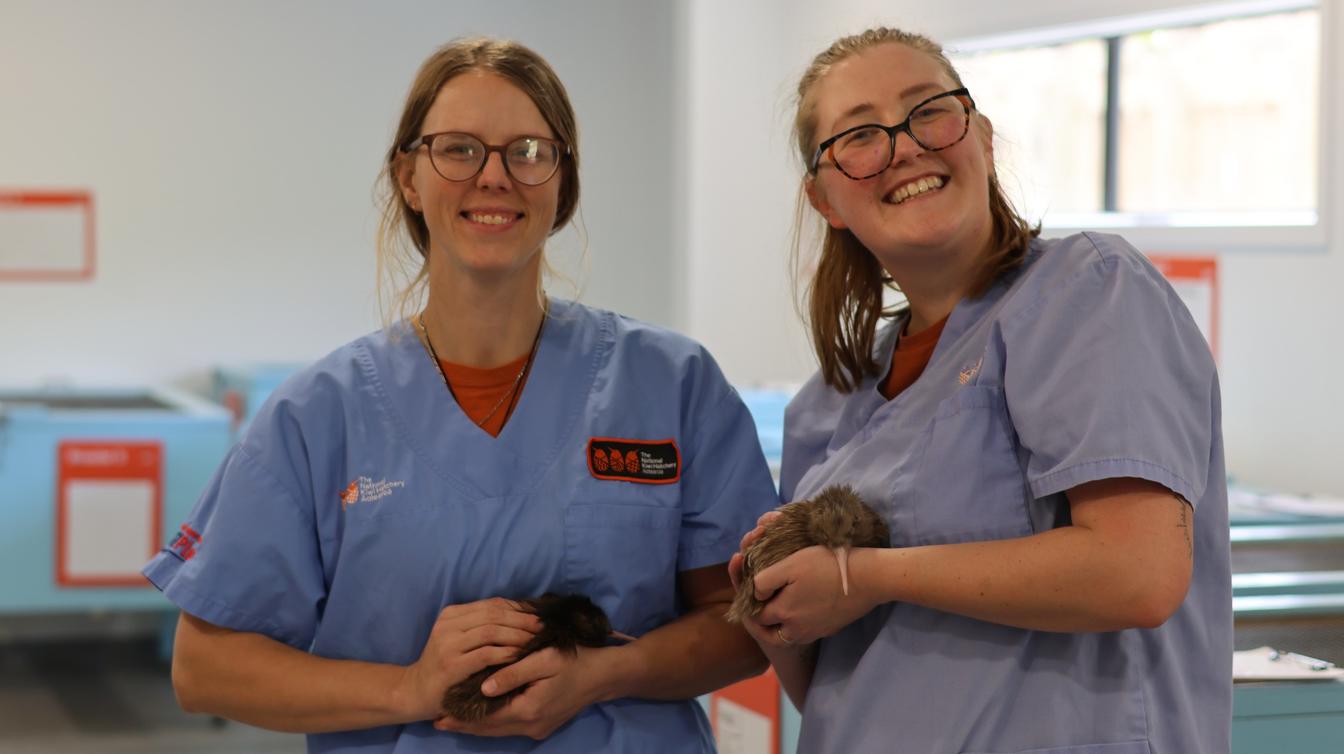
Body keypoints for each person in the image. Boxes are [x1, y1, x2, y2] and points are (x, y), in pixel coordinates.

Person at [144, 37, 776, 753]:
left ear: (563, 184)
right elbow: (205, 668)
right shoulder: (319, 415)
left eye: (529, 152)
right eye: (458, 149)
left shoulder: (671, 384)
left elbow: (743, 623)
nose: (495, 176)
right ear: (409, 178)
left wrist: (605, 674)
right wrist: (410, 689)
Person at [728, 27, 1231, 754]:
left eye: (928, 111)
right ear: (824, 197)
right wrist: (777, 614)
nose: (904, 147)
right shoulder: (830, 402)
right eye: (860, 136)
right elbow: (838, 682)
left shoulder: (1089, 293)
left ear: (983, 138)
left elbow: (1139, 573)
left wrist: (866, 576)